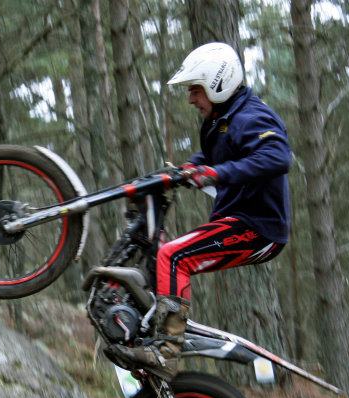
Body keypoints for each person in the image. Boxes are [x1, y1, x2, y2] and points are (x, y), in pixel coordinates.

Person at [125, 42, 292, 380]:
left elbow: (278, 156)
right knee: (160, 253)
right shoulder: (223, 120)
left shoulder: (251, 116)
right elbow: (218, 155)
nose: (190, 98)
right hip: (240, 222)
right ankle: (152, 334)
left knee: (173, 257)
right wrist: (190, 168)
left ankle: (166, 351)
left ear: (218, 83)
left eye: (195, 89)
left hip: (256, 227)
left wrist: (217, 174)